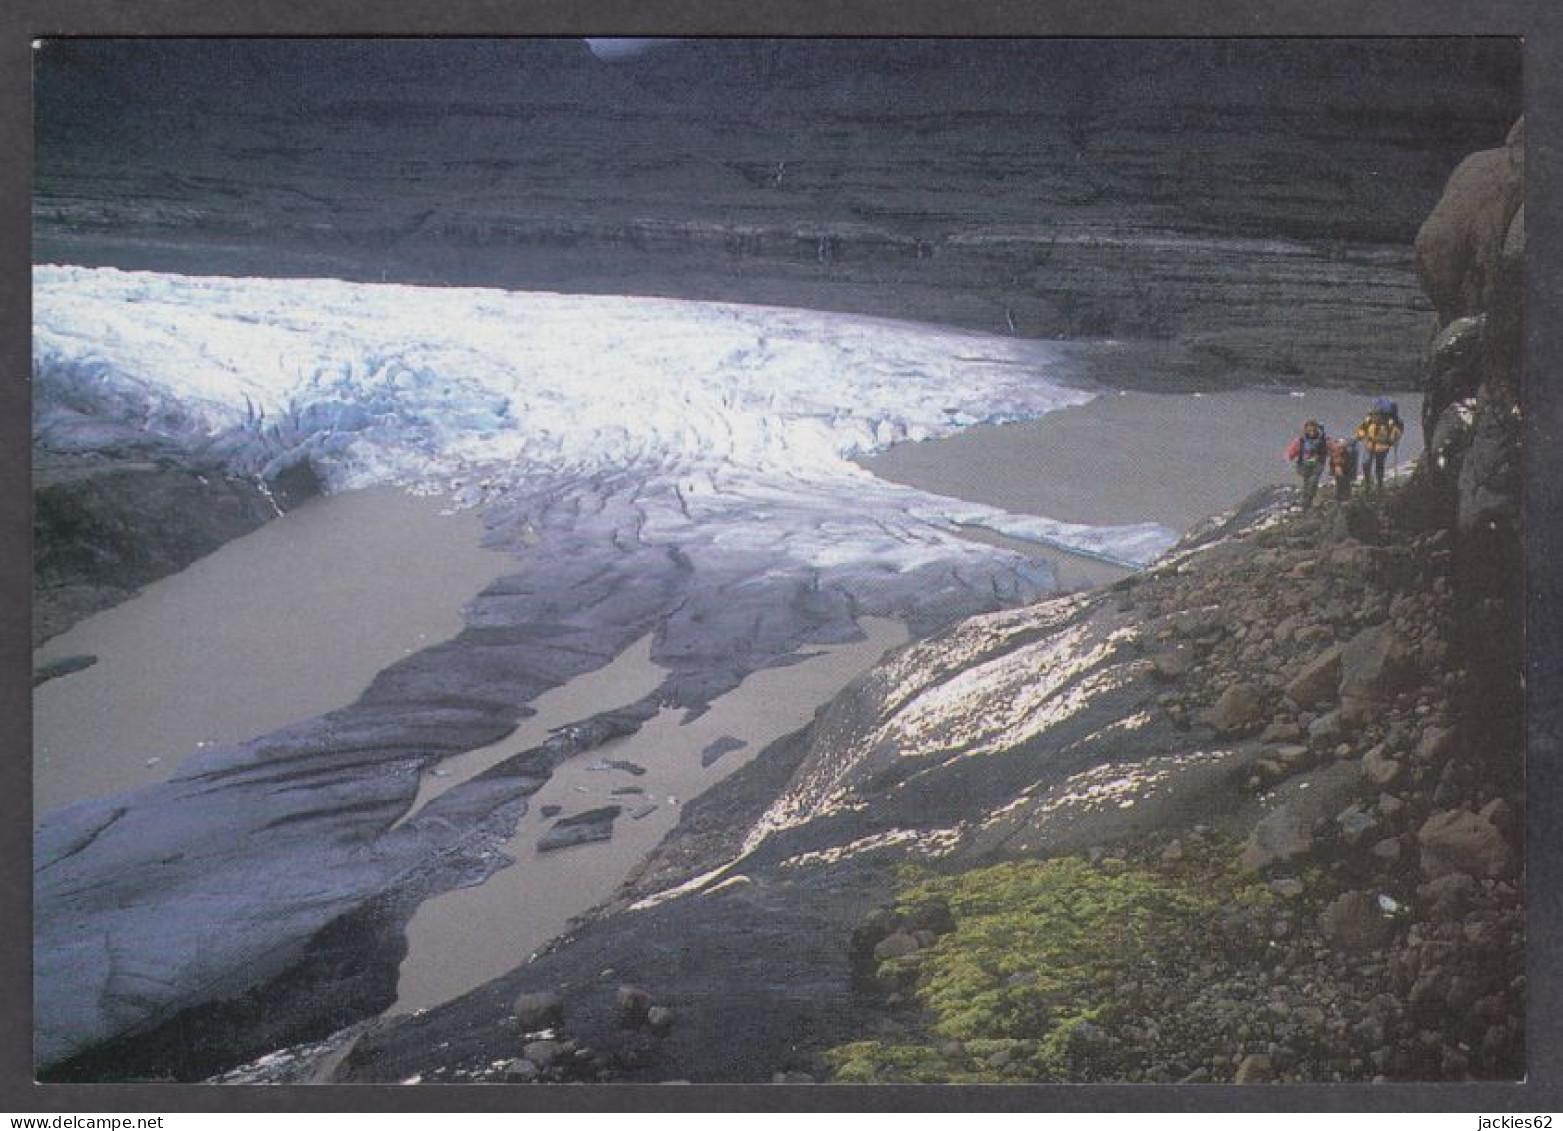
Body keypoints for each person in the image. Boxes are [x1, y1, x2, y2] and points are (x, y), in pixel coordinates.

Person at [1354, 396, 1404, 492]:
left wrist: (1393, 439)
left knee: (1379, 466)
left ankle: (1379, 485)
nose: (1375, 416)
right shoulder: (1369, 420)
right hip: (1369, 444)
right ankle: (1368, 483)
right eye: (1375, 414)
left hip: (1382, 446)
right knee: (1366, 463)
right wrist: (1361, 435)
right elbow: (1361, 429)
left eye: (1377, 414)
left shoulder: (1390, 423)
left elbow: (1396, 434)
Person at [1286, 419, 1329, 510]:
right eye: (1309, 430)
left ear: (1316, 429)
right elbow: (1292, 450)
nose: (1312, 432)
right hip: (1304, 465)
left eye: (1313, 430)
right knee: (1307, 483)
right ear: (1306, 430)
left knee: (1313, 482)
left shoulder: (1322, 440)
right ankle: (1306, 502)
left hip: (1317, 465)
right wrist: (1290, 456)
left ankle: (1308, 502)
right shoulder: (1301, 440)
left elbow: (1329, 449)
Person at [1328, 436, 1359, 501]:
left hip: (1346, 467)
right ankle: (1341, 499)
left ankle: (1344, 498)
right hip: (1340, 467)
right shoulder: (1336, 449)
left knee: (1345, 482)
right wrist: (1337, 466)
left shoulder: (1352, 451)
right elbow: (1334, 459)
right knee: (1341, 482)